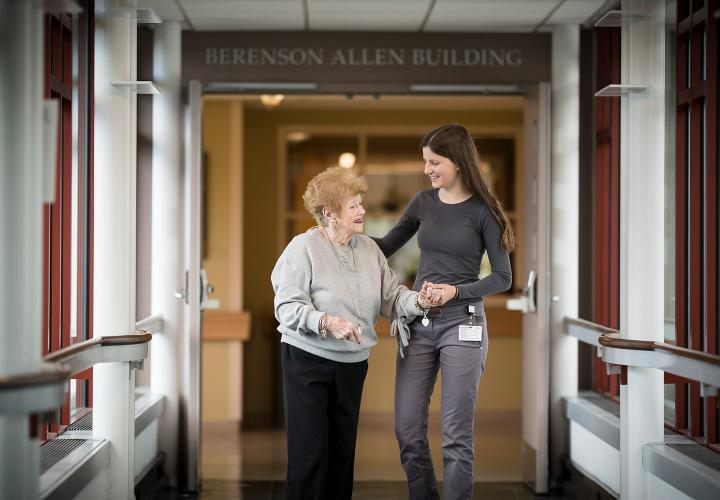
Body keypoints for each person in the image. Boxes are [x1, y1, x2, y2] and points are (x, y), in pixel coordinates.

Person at [271, 166, 438, 500]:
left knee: (342, 454)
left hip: (352, 363)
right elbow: (286, 306)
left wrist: (419, 300)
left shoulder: (369, 251)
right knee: (310, 454)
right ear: (330, 213)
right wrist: (326, 322)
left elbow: (392, 298)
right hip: (307, 360)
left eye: (361, 203)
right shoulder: (302, 248)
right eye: (353, 205)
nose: (362, 210)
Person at [373, 124, 514, 500]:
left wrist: (456, 291)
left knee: (456, 433)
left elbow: (502, 278)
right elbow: (384, 247)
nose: (427, 169)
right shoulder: (423, 202)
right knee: (406, 428)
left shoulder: (483, 212)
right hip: (418, 323)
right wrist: (341, 233)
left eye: (434, 161)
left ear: (458, 162)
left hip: (463, 324)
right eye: (425, 162)